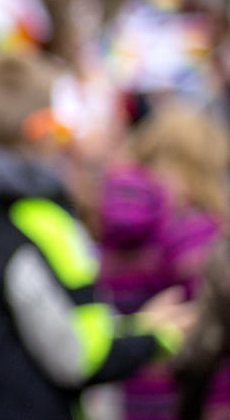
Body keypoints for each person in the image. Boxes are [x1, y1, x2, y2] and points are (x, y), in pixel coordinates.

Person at [0, 51, 195, 419]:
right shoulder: (41, 223)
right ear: (40, 129)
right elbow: (79, 356)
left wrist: (135, 326)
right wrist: (157, 338)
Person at [97, 104, 230, 419]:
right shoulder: (189, 229)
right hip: (194, 391)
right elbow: (216, 311)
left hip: (137, 386)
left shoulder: (117, 225)